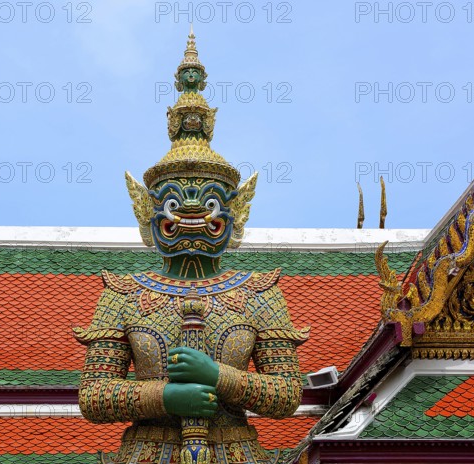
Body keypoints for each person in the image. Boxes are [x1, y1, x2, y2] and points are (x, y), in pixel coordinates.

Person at [74, 28, 309, 464]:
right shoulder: (123, 295)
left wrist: (218, 376)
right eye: (175, 202)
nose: (193, 214)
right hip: (149, 451)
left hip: (233, 451)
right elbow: (94, 394)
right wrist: (165, 396)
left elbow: (287, 394)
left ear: (235, 214)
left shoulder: (259, 294)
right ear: (149, 212)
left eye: (211, 202)